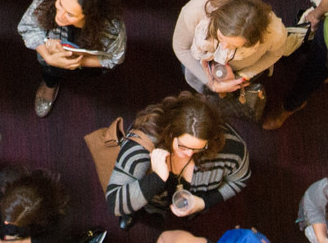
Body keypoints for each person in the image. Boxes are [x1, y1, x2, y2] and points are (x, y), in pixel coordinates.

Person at [106, 92, 252, 225]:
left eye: (198, 148)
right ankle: (137, 212)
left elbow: (239, 180)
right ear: (170, 133)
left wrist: (203, 203)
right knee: (140, 209)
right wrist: (156, 178)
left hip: (191, 206)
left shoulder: (233, 148)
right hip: (150, 202)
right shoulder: (143, 142)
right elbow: (115, 203)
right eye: (182, 146)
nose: (189, 153)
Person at [172, 0, 295, 130]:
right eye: (221, 38)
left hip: (241, 71)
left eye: (234, 46)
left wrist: (243, 76)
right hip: (199, 64)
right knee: (206, 92)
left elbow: (274, 55)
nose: (224, 49)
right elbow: (181, 48)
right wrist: (210, 83)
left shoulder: (275, 34)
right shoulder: (195, 12)